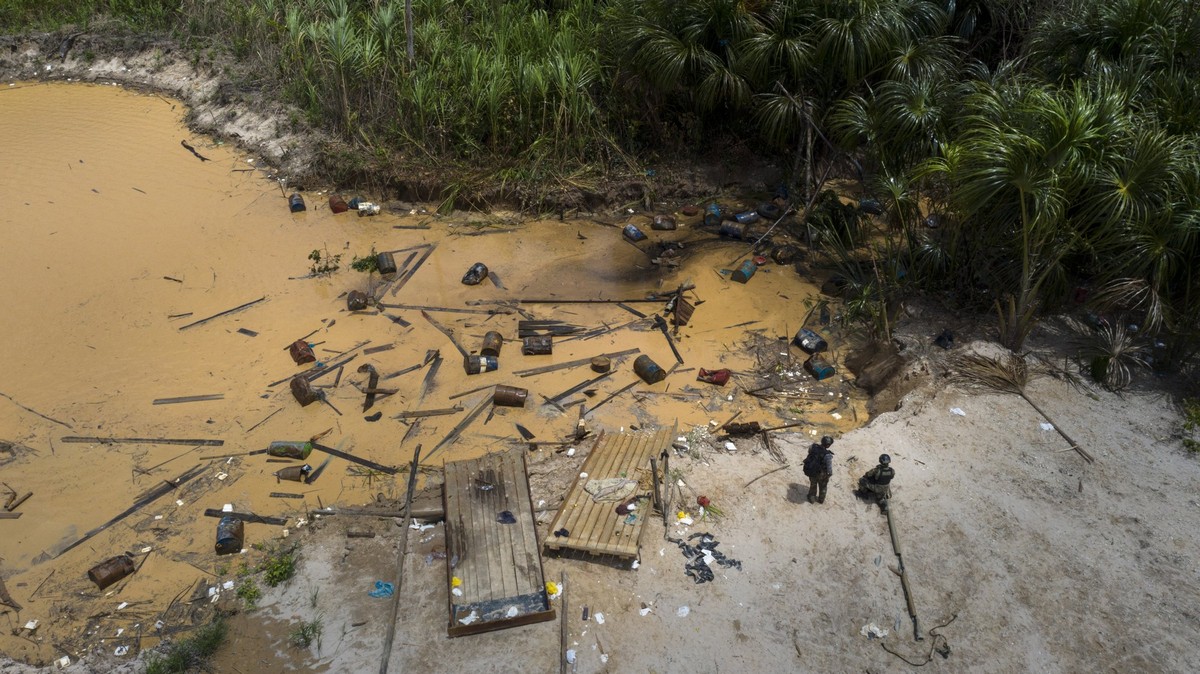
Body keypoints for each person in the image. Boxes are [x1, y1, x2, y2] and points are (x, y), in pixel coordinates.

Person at [802, 436, 835, 504]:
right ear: (828, 445)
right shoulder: (828, 455)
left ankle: (811, 498)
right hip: (822, 474)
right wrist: (829, 474)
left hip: (812, 471)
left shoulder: (813, 447)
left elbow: (809, 452)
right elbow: (829, 469)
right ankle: (821, 499)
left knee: (813, 485)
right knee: (823, 487)